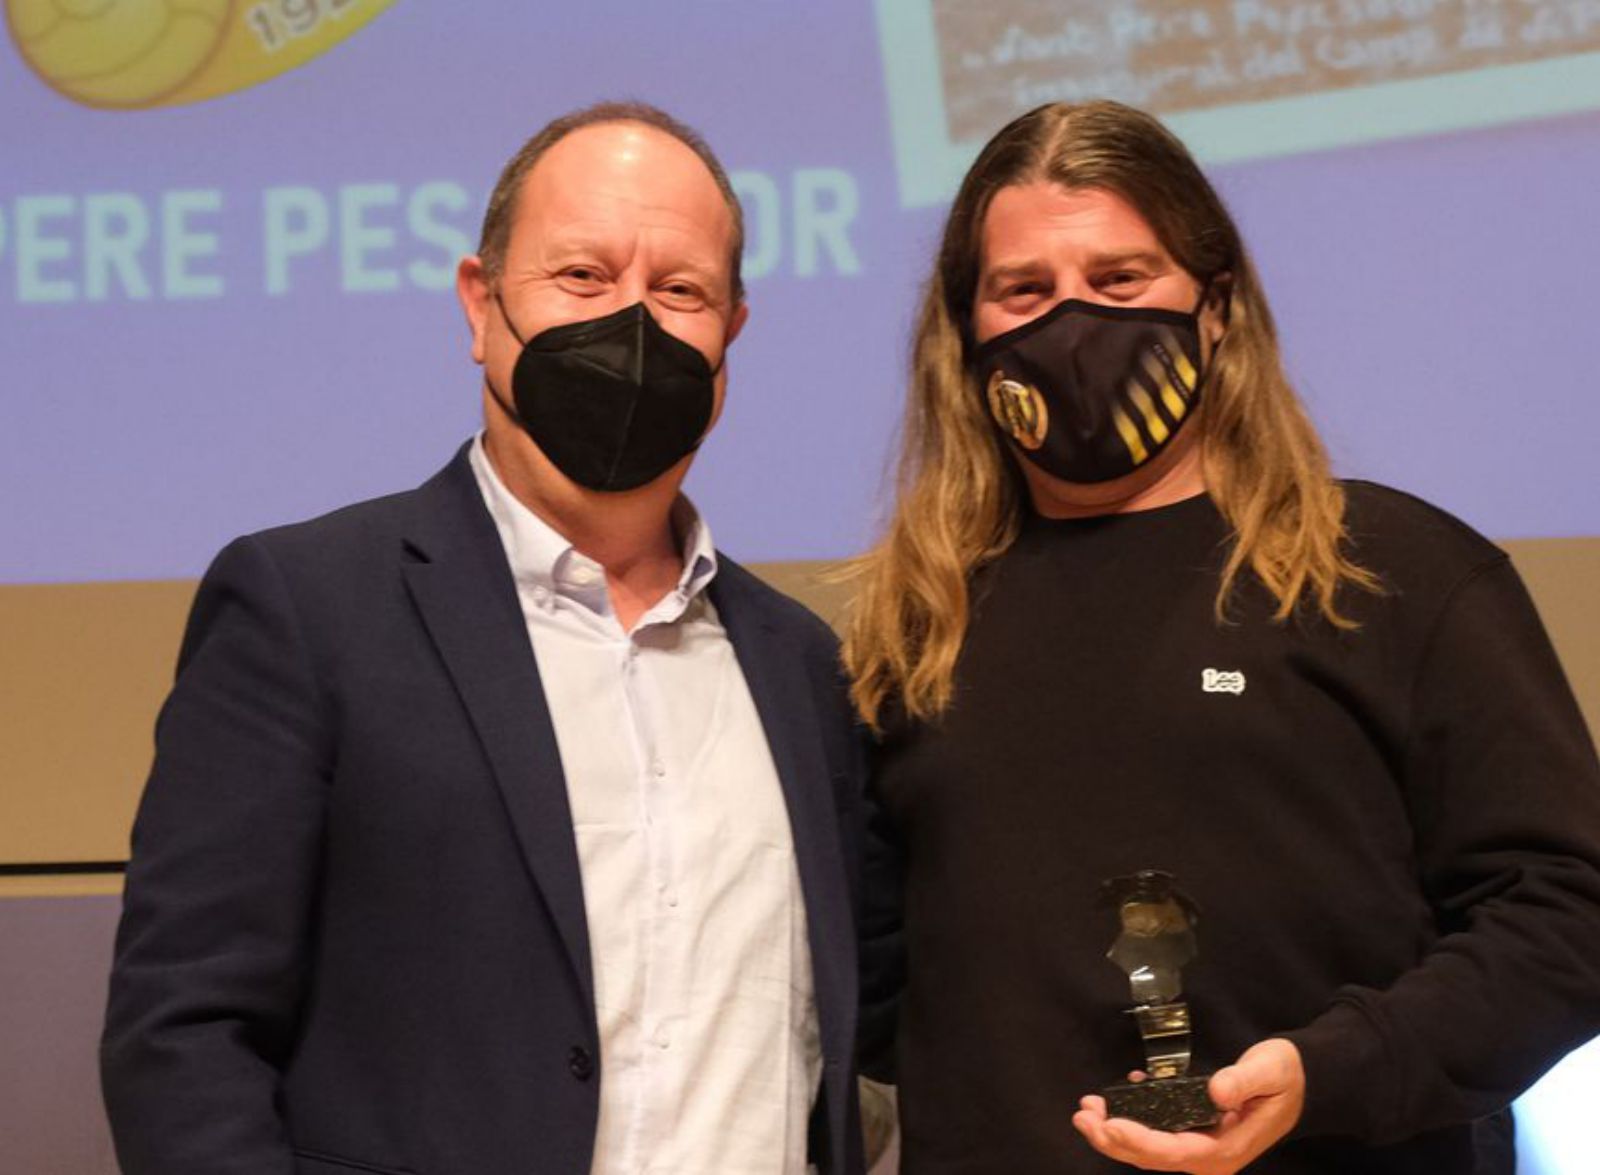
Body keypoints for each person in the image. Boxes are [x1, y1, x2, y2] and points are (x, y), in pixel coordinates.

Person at [101, 101, 867, 1175]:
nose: (631, 324)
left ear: (731, 334)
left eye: (678, 290)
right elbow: (182, 1035)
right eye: (582, 277)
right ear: (480, 302)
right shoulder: (305, 607)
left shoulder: (798, 665)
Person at [845, 99, 1600, 1174]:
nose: (1074, 324)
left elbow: (1569, 914)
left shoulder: (1394, 572)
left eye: (1121, 281)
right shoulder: (913, 628)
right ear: (965, 334)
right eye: (1026, 290)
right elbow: (880, 992)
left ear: (1217, 306)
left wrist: (1333, 1067)